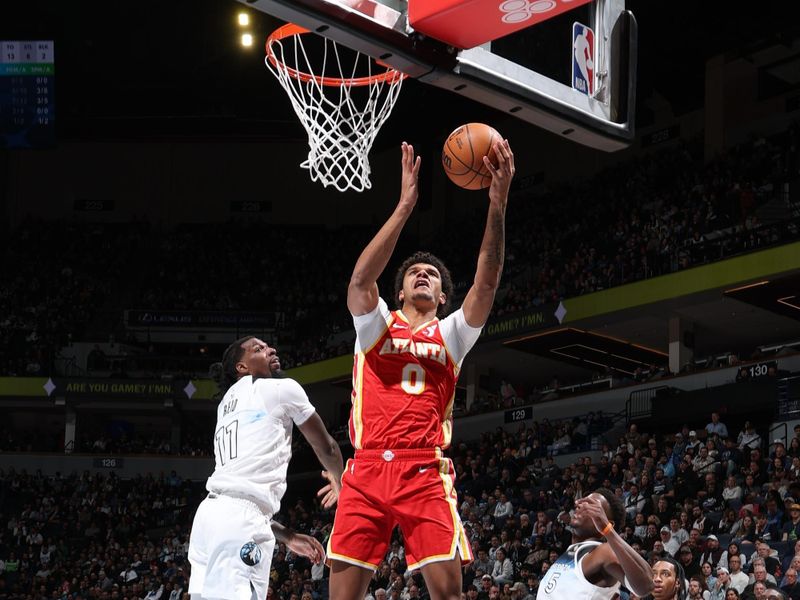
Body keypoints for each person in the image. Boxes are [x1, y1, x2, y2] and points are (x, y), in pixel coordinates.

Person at [327, 140, 515, 600]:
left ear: (443, 297)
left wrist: (497, 203)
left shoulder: (452, 335)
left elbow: (487, 282)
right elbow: (359, 280)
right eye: (415, 272)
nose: (423, 274)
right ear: (399, 291)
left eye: (432, 273)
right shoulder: (374, 327)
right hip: (367, 467)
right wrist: (406, 205)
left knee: (448, 594)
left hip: (424, 470)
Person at [189, 336, 344, 600]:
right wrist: (340, 482)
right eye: (258, 349)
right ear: (242, 367)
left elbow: (239, 496)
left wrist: (287, 535)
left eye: (268, 346)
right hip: (239, 522)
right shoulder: (281, 389)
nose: (271, 349)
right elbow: (327, 447)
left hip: (208, 518)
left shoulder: (226, 404)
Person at [537, 490, 653, 600]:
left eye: (591, 506)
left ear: (607, 521)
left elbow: (646, 585)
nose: (580, 506)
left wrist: (608, 530)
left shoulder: (604, 551)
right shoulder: (573, 551)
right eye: (583, 502)